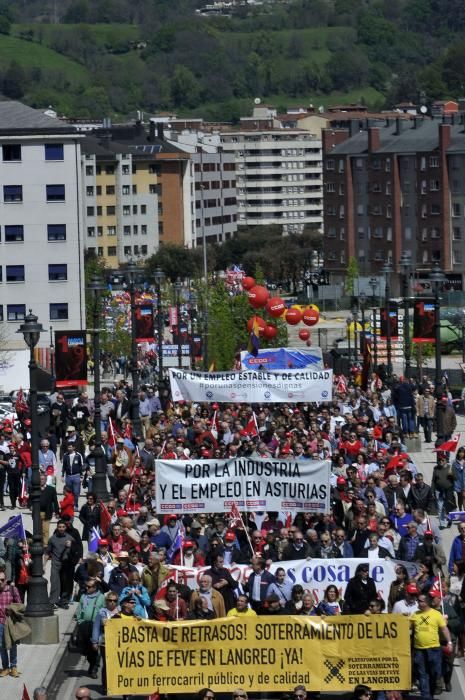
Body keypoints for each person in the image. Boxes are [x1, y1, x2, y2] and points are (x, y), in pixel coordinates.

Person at [411, 593, 452, 700]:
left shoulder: (436, 614)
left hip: (434, 649)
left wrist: (449, 642)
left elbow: (444, 629)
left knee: (435, 673)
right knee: (422, 674)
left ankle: (431, 691)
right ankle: (426, 696)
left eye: (420, 601)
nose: (418, 603)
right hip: (419, 650)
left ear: (426, 603)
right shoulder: (415, 615)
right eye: (418, 600)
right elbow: (407, 628)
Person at [75, 577, 105, 679]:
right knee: (85, 649)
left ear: (95, 587)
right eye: (86, 586)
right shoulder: (83, 597)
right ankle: (92, 663)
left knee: (94, 648)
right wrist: (79, 621)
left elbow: (104, 610)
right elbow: (79, 610)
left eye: (89, 587)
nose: (87, 588)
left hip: (95, 626)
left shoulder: (101, 597)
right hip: (84, 625)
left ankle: (94, 668)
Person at [46, 519, 78, 608]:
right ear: (57, 527)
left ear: (65, 527)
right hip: (55, 563)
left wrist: (71, 546)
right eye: (59, 527)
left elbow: (76, 551)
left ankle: (63, 601)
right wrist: (43, 565)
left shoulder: (70, 538)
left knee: (65, 583)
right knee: (55, 582)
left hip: (66, 565)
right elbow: (47, 552)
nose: (61, 529)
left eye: (63, 527)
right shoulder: (52, 539)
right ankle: (52, 601)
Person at [0, 571, 21, 677]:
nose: (0, 582)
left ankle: (13, 667)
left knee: (12, 645)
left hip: (11, 622)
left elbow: (19, 605)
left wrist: (12, 610)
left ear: (6, 580)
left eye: (2, 580)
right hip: (0, 623)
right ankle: (5, 667)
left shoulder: (12, 590)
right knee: (1, 646)